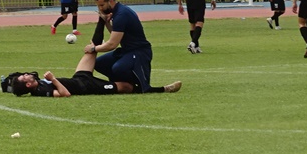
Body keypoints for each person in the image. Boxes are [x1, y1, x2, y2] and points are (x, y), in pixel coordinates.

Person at [12, 19, 181, 96]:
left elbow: (16, 86)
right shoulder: (41, 91)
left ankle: (101, 19)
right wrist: (54, 79)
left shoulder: (36, 85)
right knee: (126, 88)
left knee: (91, 50)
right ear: (28, 84)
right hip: (87, 87)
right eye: (24, 77)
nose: (27, 74)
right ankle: (163, 89)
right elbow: (65, 94)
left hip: (79, 77)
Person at [84, 0, 157, 92]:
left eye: (102, 5)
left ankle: (137, 84)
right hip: (127, 50)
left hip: (139, 51)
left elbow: (112, 44)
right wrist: (107, 22)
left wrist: (93, 48)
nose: (100, 9)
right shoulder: (117, 12)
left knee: (118, 68)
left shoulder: (121, 14)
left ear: (111, 2)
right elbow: (116, 34)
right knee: (99, 63)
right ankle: (121, 84)